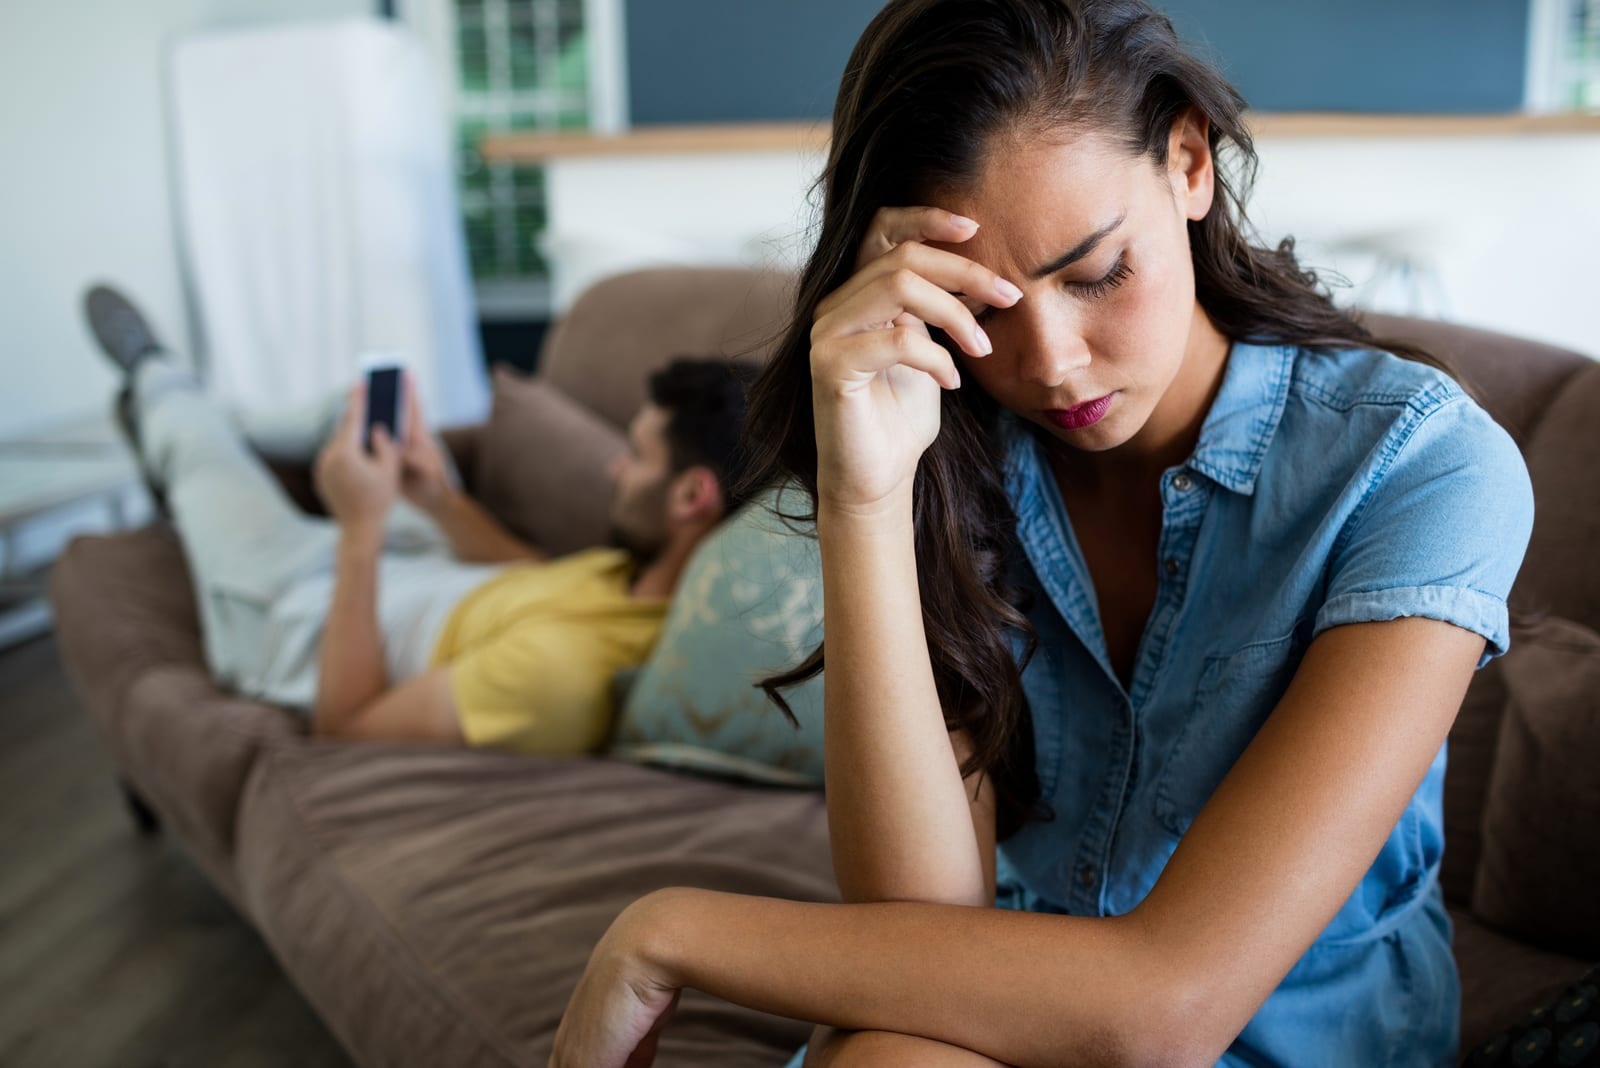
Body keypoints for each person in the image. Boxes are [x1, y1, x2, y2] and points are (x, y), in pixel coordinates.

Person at [543, 1, 1534, 1066]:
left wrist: (665, 935)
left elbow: (1165, 1010)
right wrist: (868, 498)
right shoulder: (956, 450)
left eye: (1096, 273)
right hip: (1000, 1007)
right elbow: (922, 914)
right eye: (986, 311)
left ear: (1188, 164)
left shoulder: (1421, 468)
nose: (1051, 364)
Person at [83, 285, 758, 753]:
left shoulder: (564, 678)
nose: (615, 471)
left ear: (690, 497)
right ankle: (230, 419)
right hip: (418, 569)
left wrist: (361, 531)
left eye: (636, 457)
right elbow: (532, 580)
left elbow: (346, 727)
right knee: (367, 416)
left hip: (302, 613)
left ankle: (161, 382)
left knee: (201, 453)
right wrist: (436, 496)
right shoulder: (647, 587)